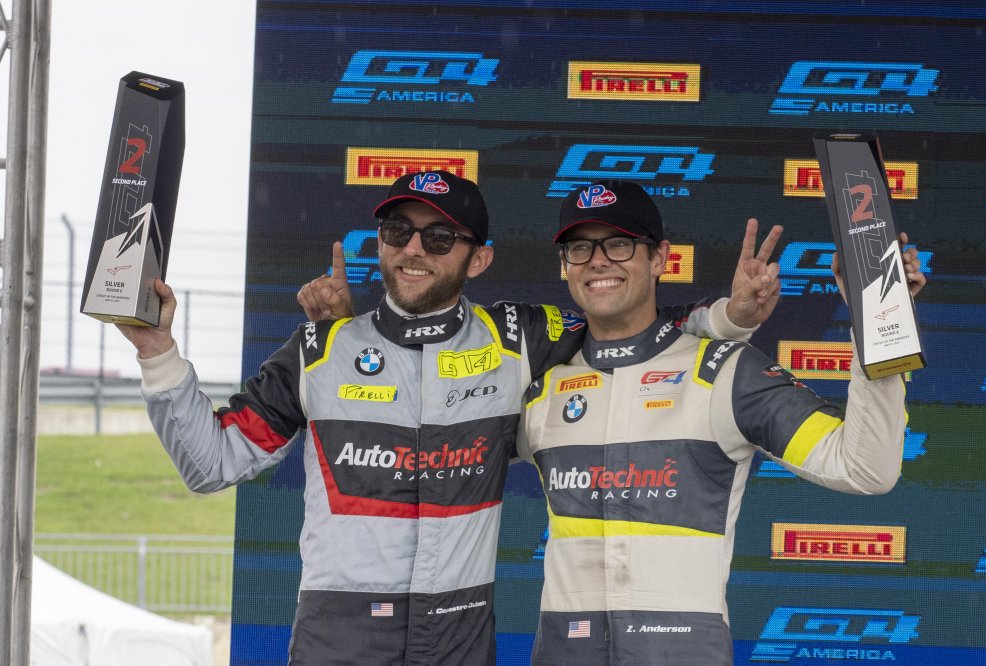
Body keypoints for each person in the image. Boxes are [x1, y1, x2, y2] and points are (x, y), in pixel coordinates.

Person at [116, 170, 780, 665]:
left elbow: (632, 329)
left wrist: (730, 318)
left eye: (438, 237)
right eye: (397, 233)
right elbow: (211, 463)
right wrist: (157, 352)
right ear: (380, 244)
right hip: (339, 637)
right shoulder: (319, 349)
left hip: (458, 636)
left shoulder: (520, 337)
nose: (414, 250)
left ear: (478, 258)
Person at [515, 179, 926, 665]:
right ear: (566, 265)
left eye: (619, 244)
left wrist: (881, 322)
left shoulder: (726, 372)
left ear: (660, 258)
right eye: (580, 248)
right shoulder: (540, 387)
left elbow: (866, 469)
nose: (598, 261)